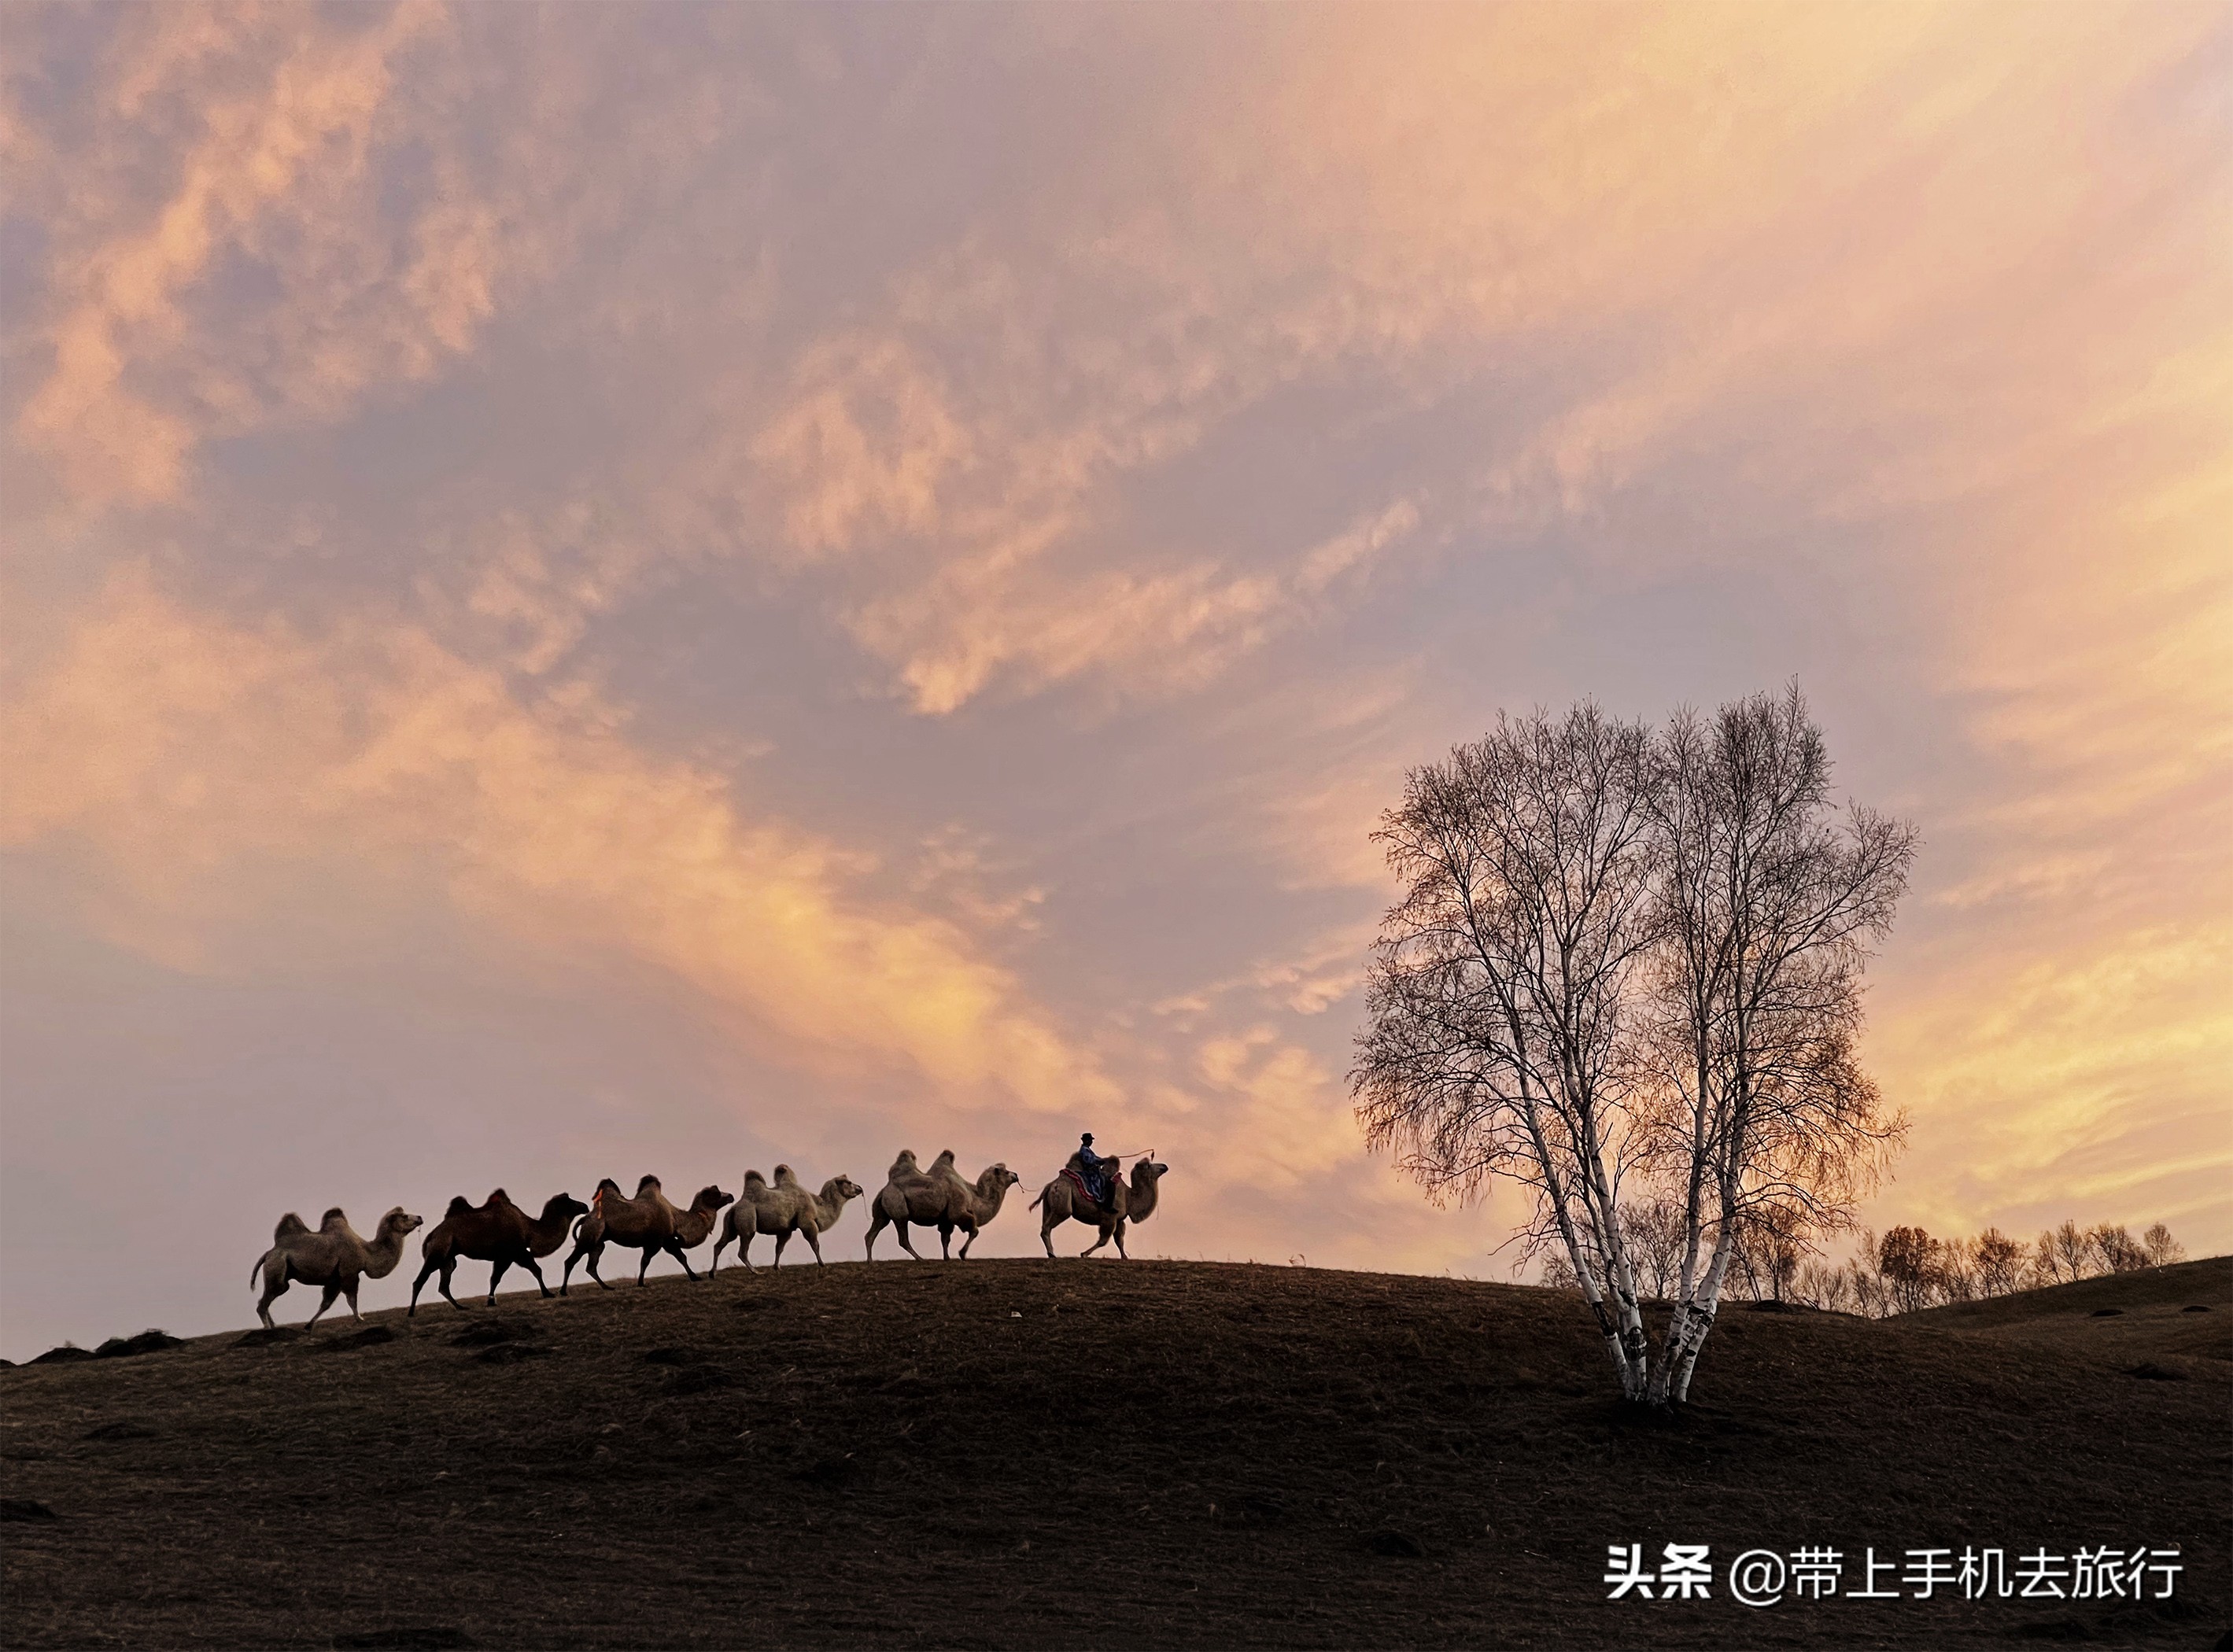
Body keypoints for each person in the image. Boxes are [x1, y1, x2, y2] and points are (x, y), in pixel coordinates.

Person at [1072, 1132, 1116, 1211]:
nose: (1091, 1142)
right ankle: (1107, 1206)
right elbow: (1090, 1160)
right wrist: (1101, 1161)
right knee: (1109, 1183)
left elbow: (1095, 1158)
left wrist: (1103, 1160)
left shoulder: (1087, 1150)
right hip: (1091, 1172)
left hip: (1093, 1171)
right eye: (1090, 1140)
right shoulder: (1084, 1150)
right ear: (1086, 1141)